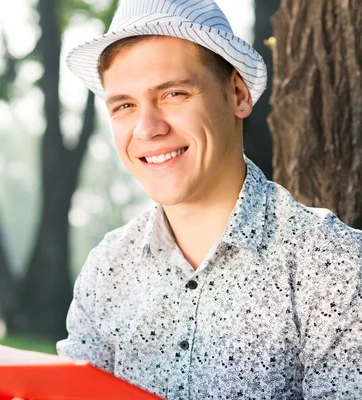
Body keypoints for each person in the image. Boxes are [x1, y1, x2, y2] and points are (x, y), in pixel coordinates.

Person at [56, 0, 362, 398]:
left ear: (237, 94)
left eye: (174, 94)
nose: (147, 129)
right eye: (125, 105)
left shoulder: (331, 263)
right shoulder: (106, 271)